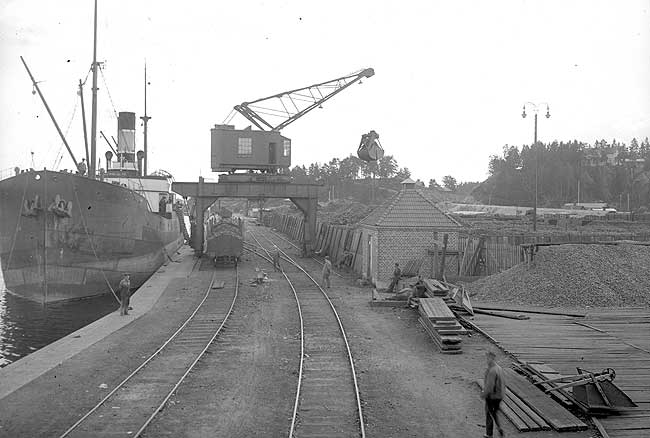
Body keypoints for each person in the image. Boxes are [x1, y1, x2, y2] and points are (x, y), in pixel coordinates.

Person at [481, 350, 506, 438]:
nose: (487, 360)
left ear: (492, 359)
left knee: (489, 413)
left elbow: (490, 387)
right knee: (494, 413)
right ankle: (499, 427)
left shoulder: (492, 371)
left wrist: (484, 394)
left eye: (488, 358)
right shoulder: (499, 368)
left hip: (492, 396)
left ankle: (489, 434)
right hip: (500, 395)